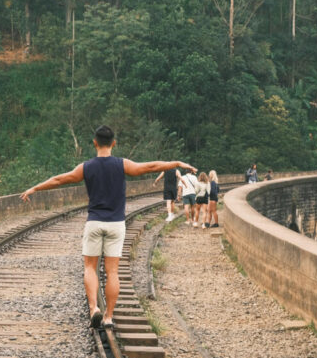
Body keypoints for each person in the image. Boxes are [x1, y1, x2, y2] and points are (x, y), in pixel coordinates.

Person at [21, 126, 195, 329]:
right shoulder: (122, 165)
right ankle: (109, 317)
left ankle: (94, 308)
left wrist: (35, 188)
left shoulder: (85, 167)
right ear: (114, 143)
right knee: (112, 272)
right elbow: (150, 167)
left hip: (94, 222)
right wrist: (177, 163)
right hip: (116, 224)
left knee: (90, 267)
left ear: (95, 142)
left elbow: (60, 179)